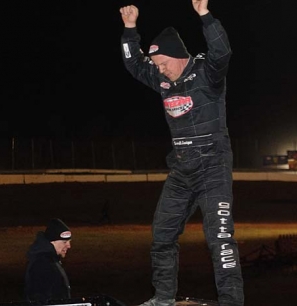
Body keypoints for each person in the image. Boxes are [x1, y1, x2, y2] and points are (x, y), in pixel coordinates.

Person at [119, 1, 244, 306]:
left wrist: (205, 16)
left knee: (220, 240)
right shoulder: (162, 80)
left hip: (213, 167)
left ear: (177, 55)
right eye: (157, 65)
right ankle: (163, 299)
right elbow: (134, 63)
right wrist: (130, 29)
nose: (159, 69)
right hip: (181, 170)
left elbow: (223, 52)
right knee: (161, 235)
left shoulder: (207, 74)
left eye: (162, 63)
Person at [24, 218, 72, 302]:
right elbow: (40, 298)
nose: (69, 246)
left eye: (69, 241)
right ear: (52, 242)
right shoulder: (42, 264)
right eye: (64, 242)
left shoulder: (51, 260)